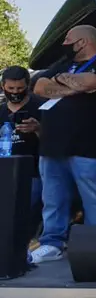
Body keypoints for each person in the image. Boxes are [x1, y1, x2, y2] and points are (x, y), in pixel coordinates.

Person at [29, 25, 96, 264]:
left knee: (94, 196)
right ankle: (52, 243)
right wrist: (70, 86)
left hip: (88, 145)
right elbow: (39, 86)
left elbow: (91, 82)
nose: (64, 44)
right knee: (52, 197)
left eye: (68, 39)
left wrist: (59, 83)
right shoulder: (61, 65)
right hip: (52, 144)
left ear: (83, 42)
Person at [1, 66, 45, 236]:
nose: (15, 92)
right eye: (10, 88)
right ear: (3, 86)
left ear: (28, 85)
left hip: (34, 170)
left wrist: (38, 129)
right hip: (6, 170)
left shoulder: (41, 107)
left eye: (20, 88)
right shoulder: (1, 111)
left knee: (29, 209)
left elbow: (55, 140)